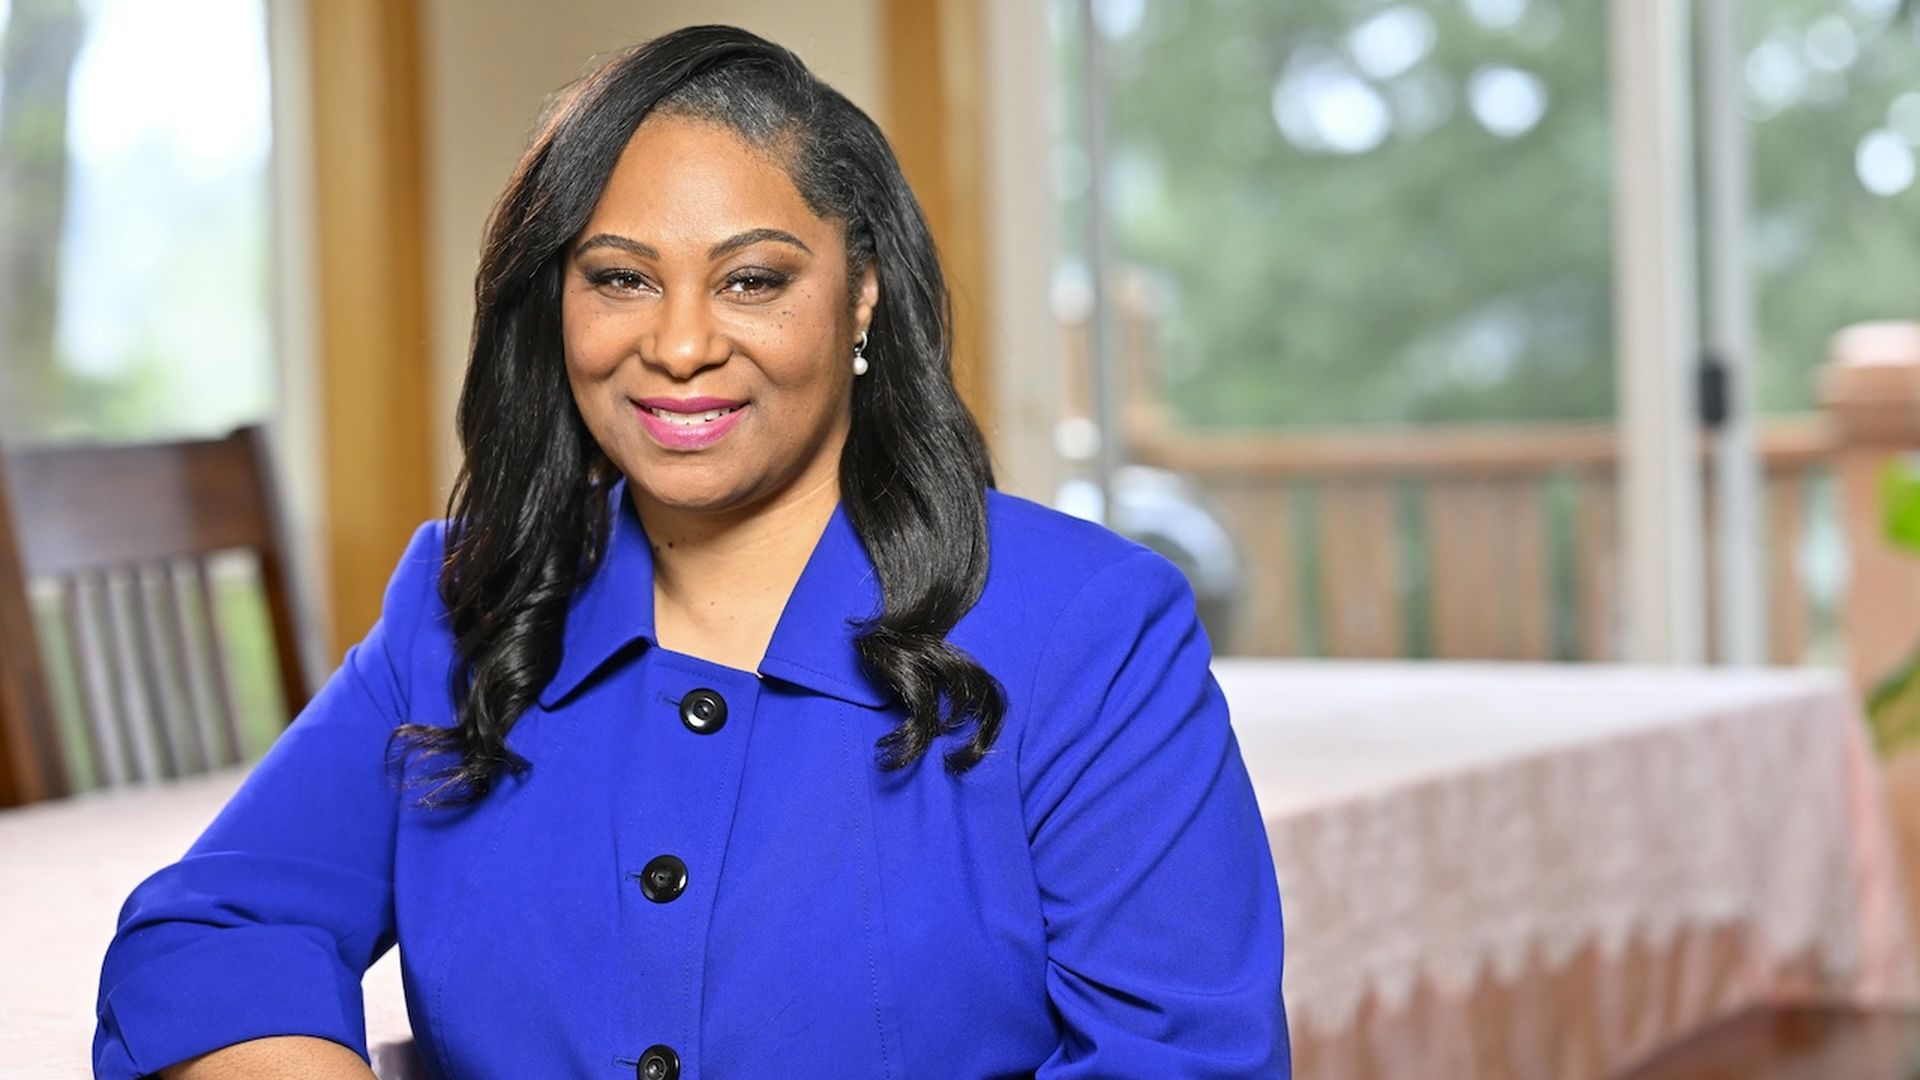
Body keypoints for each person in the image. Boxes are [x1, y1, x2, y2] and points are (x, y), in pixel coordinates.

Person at [93, 24, 1288, 1080]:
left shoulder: (1092, 627)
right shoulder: (465, 604)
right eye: (619, 279)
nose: (676, 345)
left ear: (862, 292)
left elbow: (1187, 1064)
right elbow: (208, 936)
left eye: (752, 280)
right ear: (555, 301)